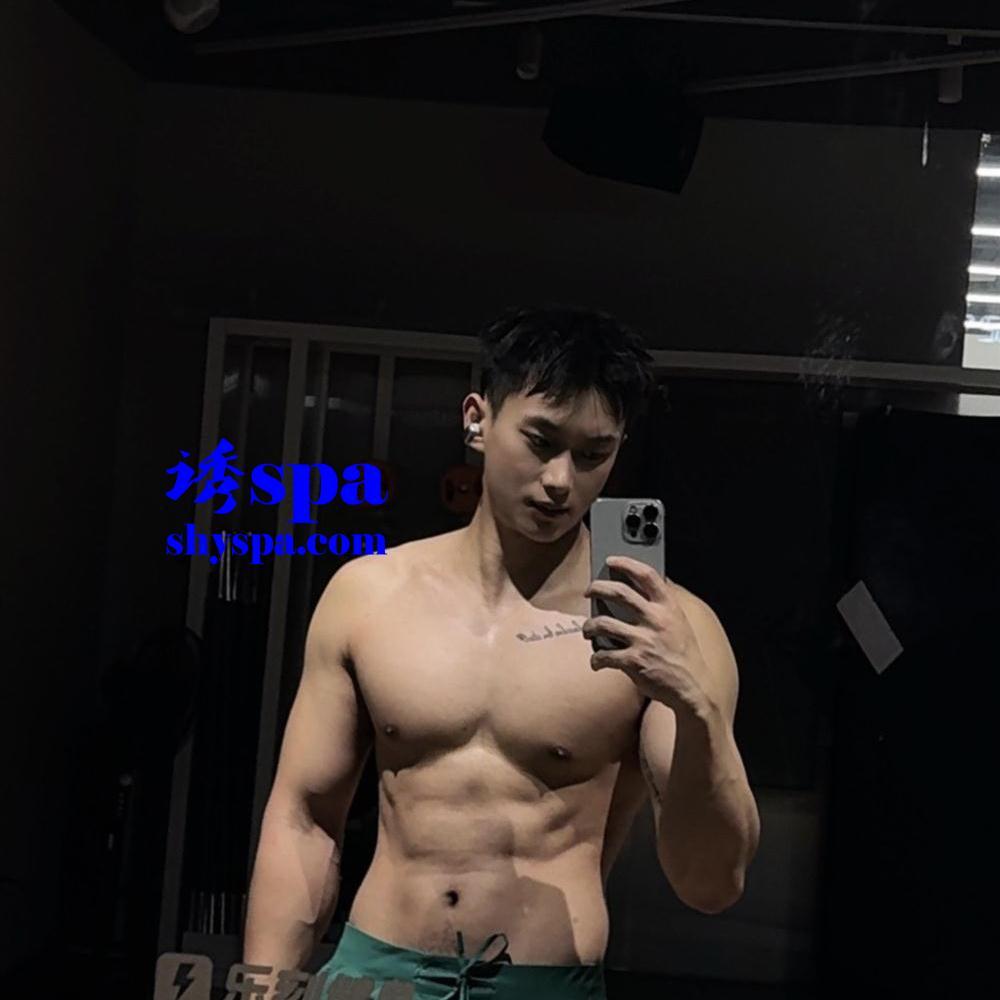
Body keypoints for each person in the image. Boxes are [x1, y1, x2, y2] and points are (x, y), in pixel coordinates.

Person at [242, 304, 760, 1000]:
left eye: (592, 455)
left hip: (541, 983)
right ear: (478, 420)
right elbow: (304, 818)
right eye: (541, 441)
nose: (560, 480)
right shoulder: (368, 595)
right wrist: (265, 990)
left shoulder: (665, 627)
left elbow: (711, 884)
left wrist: (695, 707)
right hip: (377, 973)